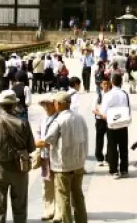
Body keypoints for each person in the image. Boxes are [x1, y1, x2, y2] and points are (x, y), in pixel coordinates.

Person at [0, 91, 36, 223]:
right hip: (20, 168)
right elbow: (31, 147)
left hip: (0, 169)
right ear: (14, 105)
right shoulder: (23, 123)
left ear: (0, 105)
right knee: (20, 208)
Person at [36, 92, 88, 223]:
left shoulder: (59, 121)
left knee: (63, 197)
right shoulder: (80, 118)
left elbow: (47, 141)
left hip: (63, 166)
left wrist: (31, 144)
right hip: (78, 163)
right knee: (78, 196)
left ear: (58, 104)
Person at [99, 72, 131, 179]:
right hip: (123, 124)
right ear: (121, 82)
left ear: (111, 82)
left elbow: (103, 111)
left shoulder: (108, 95)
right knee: (123, 147)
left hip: (112, 124)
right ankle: (124, 169)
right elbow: (128, 108)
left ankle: (113, 170)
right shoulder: (125, 94)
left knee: (112, 147)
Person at [37, 99, 59, 222]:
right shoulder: (42, 118)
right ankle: (48, 209)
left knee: (58, 183)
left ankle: (58, 209)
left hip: (56, 155)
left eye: (48, 104)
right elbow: (38, 132)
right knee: (46, 183)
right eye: (44, 104)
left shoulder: (59, 118)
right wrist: (39, 141)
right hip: (45, 155)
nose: (46, 107)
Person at [93, 76, 110, 166]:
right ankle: (99, 158)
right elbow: (93, 109)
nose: (106, 85)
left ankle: (108, 157)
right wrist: (101, 115)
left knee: (110, 140)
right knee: (99, 139)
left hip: (109, 120)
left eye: (107, 84)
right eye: (104, 84)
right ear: (101, 85)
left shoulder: (111, 95)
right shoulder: (98, 96)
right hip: (100, 120)